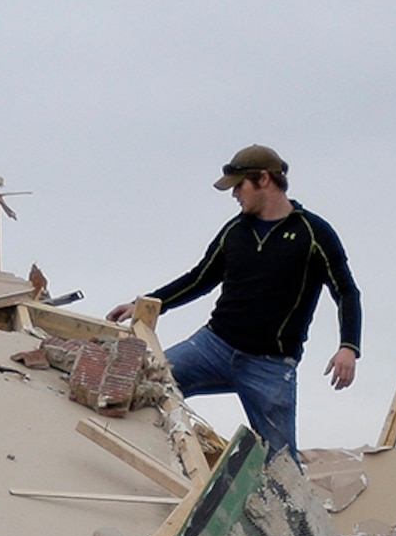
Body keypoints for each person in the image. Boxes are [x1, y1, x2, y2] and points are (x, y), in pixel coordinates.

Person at [120, 144, 361, 458]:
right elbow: (199, 278)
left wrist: (349, 347)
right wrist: (148, 303)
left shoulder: (313, 233)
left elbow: (346, 292)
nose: (234, 194)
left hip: (271, 366)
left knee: (281, 462)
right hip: (213, 346)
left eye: (238, 186)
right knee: (148, 382)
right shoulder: (234, 231)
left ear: (263, 179)